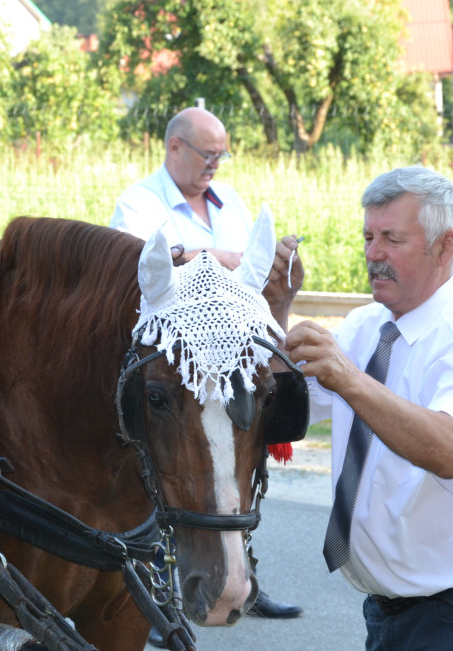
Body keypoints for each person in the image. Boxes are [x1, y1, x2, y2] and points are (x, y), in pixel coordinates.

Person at [284, 166, 453, 650]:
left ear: (444, 246)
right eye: (367, 236)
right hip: (392, 612)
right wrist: (276, 303)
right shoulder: (367, 325)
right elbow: (284, 403)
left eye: (391, 239)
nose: (373, 254)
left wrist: (351, 380)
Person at [110, 107, 303, 647]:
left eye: (221, 154)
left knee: (233, 472)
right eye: (207, 153)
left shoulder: (230, 201)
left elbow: (249, 274)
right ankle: (152, 600)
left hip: (228, 368)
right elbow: (137, 267)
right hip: (175, 372)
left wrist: (275, 269)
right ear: (174, 148)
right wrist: (221, 256)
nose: (216, 164)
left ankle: (238, 576)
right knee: (171, 479)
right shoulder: (140, 202)